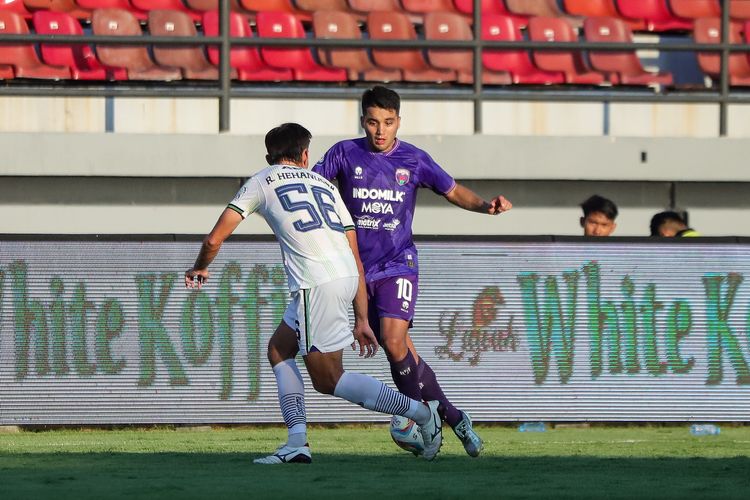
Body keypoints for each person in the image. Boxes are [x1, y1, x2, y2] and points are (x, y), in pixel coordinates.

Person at [185, 123, 443, 464]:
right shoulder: (326, 185)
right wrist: (362, 316)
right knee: (279, 349)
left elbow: (213, 239)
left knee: (329, 379)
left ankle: (422, 414)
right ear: (305, 155)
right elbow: (353, 254)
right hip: (347, 277)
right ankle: (297, 442)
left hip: (315, 283)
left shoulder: (262, 179)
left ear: (269, 156)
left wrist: (200, 267)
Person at [312, 86, 513, 458]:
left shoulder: (414, 159)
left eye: (388, 122)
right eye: (373, 122)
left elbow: (452, 190)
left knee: (391, 339)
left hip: (397, 264)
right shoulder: (343, 153)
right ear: (363, 122)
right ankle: (454, 417)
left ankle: (417, 420)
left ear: (398, 122)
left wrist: (487, 207)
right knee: (401, 352)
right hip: (357, 271)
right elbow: (313, 189)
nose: (380, 130)